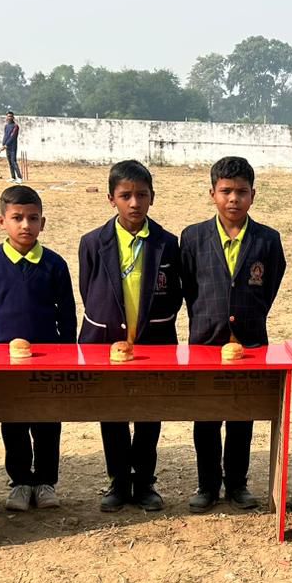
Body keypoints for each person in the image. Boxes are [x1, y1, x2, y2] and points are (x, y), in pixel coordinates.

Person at [180, 156, 286, 513]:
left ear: (253, 195)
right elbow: (189, 286)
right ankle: (207, 484)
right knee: (206, 416)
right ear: (212, 193)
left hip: (250, 342)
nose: (233, 199)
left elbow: (270, 284)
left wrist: (248, 315)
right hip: (206, 341)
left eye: (241, 191)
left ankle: (237, 483)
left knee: (243, 414)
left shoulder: (267, 240)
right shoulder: (193, 237)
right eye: (226, 191)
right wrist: (208, 317)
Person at [78, 160, 183, 513]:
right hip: (107, 343)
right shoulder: (93, 242)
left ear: (152, 197)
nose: (134, 203)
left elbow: (176, 293)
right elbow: (88, 289)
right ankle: (119, 481)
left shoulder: (167, 243)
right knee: (113, 412)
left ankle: (145, 482)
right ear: (111, 199)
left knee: (150, 412)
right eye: (126, 196)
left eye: (142, 195)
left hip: (155, 342)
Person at [0, 184, 76, 512]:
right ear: (2, 221)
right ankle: (19, 482)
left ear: (43, 222)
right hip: (4, 360)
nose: (25, 225)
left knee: (47, 420)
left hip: (48, 359)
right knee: (12, 421)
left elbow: (67, 314)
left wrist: (67, 355)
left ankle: (45, 482)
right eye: (17, 218)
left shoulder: (54, 264)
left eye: (33, 218)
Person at [2, 111, 23, 182]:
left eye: (11, 116)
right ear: (6, 117)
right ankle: (13, 177)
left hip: (13, 147)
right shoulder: (6, 126)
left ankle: (19, 178)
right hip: (7, 147)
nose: (9, 117)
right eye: (8, 116)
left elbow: (12, 137)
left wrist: (6, 144)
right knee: (10, 163)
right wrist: (3, 144)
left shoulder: (15, 126)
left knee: (14, 162)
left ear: (13, 117)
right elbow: (5, 136)